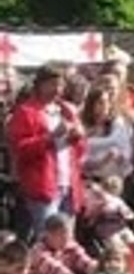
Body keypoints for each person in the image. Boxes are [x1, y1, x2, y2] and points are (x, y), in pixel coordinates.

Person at [7, 65, 87, 240]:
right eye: (52, 84)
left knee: (67, 241)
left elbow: (80, 152)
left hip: (68, 184)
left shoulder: (66, 110)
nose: (57, 89)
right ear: (40, 85)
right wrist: (51, 137)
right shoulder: (26, 112)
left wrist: (78, 138)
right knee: (48, 240)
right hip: (43, 187)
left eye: (60, 85)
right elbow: (20, 149)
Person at [29, 214, 97, 274]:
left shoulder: (69, 244)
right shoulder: (38, 251)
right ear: (49, 234)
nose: (66, 238)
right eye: (61, 234)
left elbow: (84, 261)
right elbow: (56, 270)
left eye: (68, 234)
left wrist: (98, 269)